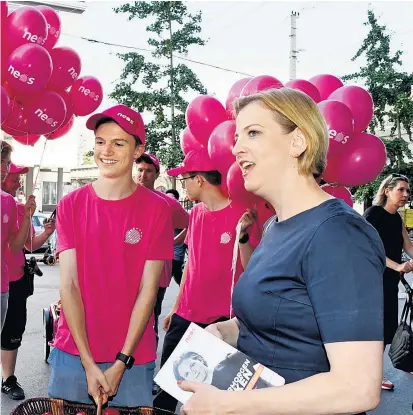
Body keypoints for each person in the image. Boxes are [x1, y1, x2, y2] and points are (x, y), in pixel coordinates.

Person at [178, 88, 386, 415]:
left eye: (253, 133)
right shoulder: (275, 225)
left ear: (298, 142)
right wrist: (224, 331)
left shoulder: (339, 234)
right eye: (236, 137)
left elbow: (357, 388)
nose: (236, 148)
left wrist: (229, 405)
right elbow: (274, 320)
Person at [47, 105, 174, 408]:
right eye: (101, 142)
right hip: (74, 353)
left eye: (119, 143)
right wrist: (89, 364)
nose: (107, 151)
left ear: (137, 150)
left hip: (133, 356)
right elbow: (70, 286)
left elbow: (148, 290)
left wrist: (121, 361)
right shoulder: (71, 205)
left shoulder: (157, 209)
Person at [153, 149, 261, 413]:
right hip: (187, 313)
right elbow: (192, 262)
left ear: (199, 179)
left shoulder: (243, 213)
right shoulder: (197, 213)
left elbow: (254, 268)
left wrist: (244, 234)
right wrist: (176, 307)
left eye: (185, 179)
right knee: (167, 387)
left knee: (217, 393)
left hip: (223, 320)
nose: (183, 185)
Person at [1, 163, 56, 400]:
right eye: (13, 178)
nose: (18, 183)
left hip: (15, 279)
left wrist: (47, 232)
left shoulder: (21, 208)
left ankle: (8, 378)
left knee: (12, 331)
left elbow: (28, 245)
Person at [363, 173, 413, 391]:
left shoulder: (397, 218)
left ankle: (374, 373)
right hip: (371, 281)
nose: (405, 195)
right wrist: (397, 266)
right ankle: (370, 376)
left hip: (390, 282)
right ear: (386, 191)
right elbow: (366, 248)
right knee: (373, 329)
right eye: (400, 190)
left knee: (386, 329)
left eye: (407, 191)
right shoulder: (373, 214)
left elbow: (408, 246)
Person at [135, 153, 188, 340]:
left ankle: (147, 365)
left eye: (148, 171)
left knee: (149, 321)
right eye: (140, 170)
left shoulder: (168, 203)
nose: (143, 175)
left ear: (157, 174)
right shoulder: (125, 196)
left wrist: (172, 242)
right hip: (127, 271)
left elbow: (193, 225)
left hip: (156, 274)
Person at [1, 141, 36, 330]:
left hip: (3, 286)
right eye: (1, 161)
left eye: (6, 163)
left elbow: (15, 247)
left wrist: (27, 218)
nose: (3, 169)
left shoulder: (8, 202)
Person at [173, 351, 272, 390]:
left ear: (199, 360)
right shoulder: (206, 403)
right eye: (187, 374)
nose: (193, 372)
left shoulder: (231, 360)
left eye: (192, 365)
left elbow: (269, 374)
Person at [165, 189, 187, 286]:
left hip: (175, 256)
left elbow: (189, 228)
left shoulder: (179, 214)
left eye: (172, 198)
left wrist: (173, 242)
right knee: (179, 278)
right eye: (166, 198)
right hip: (167, 256)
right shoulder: (164, 213)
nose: (169, 200)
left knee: (161, 284)